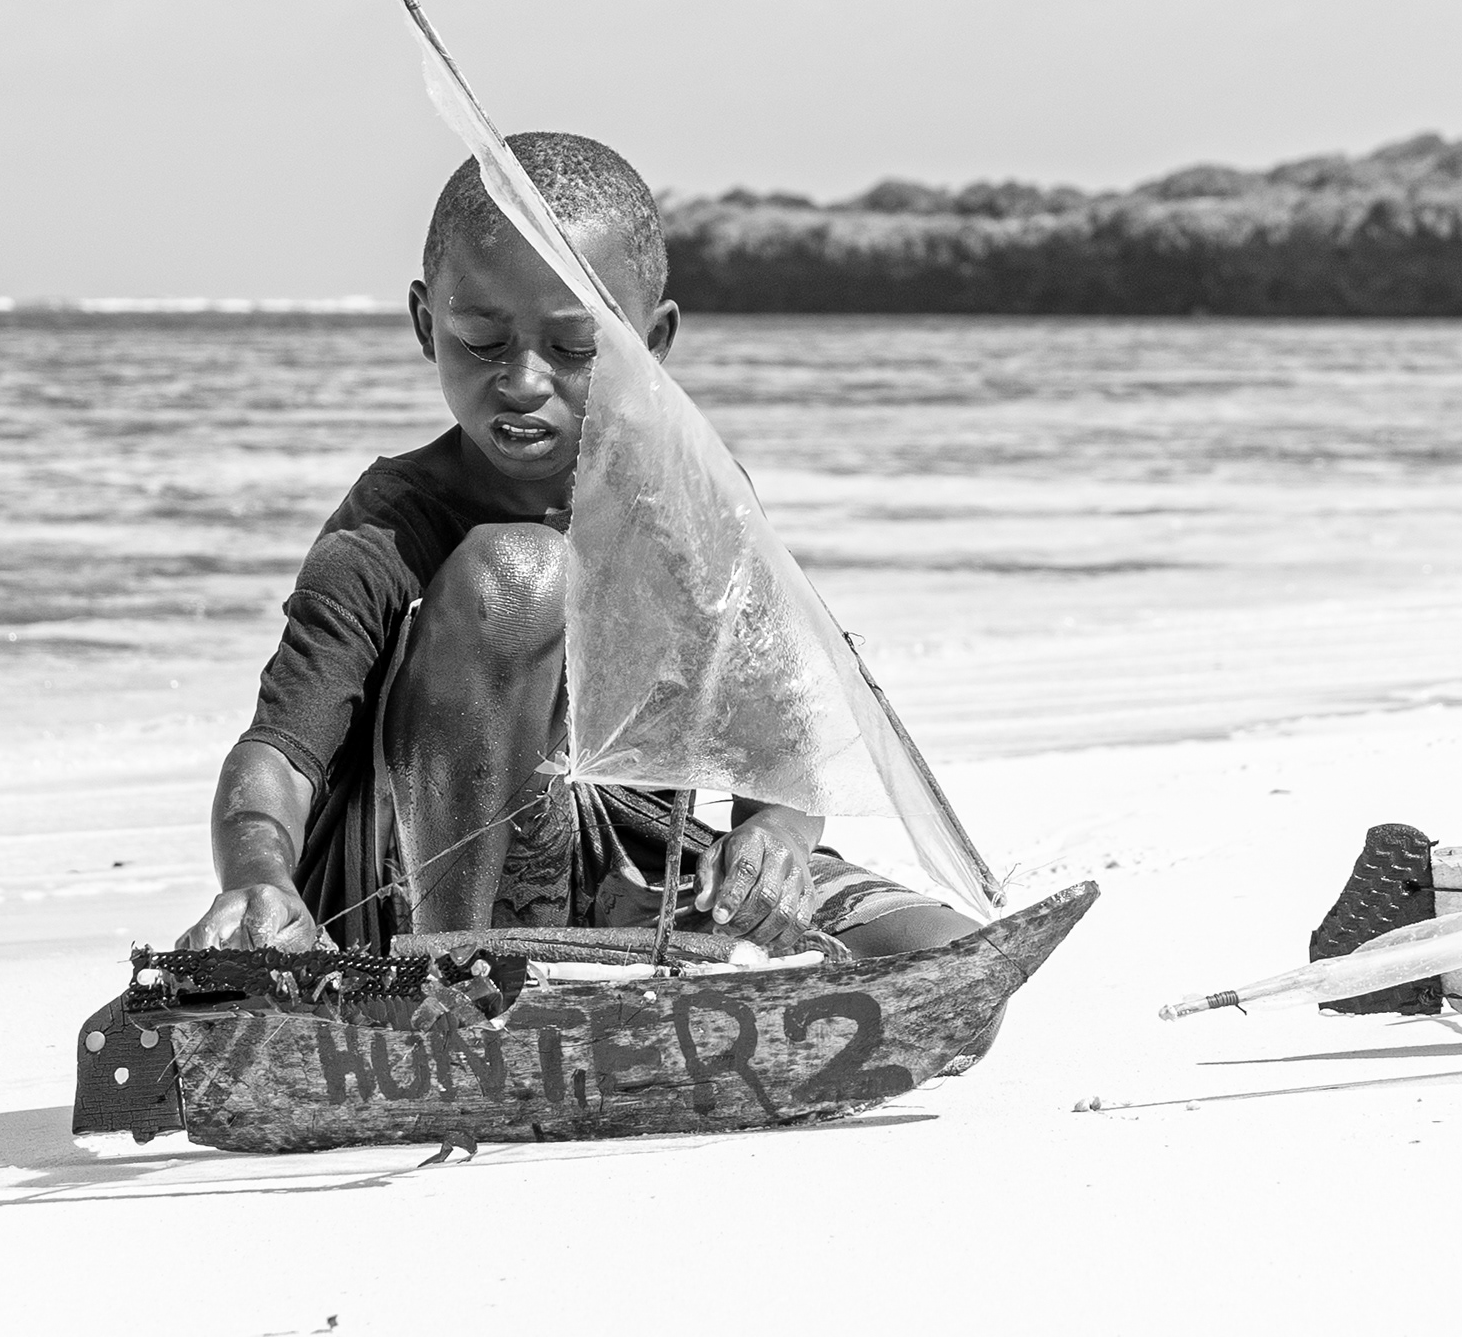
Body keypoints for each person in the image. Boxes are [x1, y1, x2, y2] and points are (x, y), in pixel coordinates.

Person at [175, 131, 975, 962]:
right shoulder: (387, 526)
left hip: (629, 875)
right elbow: (279, 753)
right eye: (483, 341)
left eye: (576, 348)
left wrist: (774, 841)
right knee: (520, 575)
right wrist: (256, 877)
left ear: (651, 343)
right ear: (425, 324)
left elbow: (776, 743)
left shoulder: (689, 503)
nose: (523, 382)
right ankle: (456, 979)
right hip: (397, 909)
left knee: (939, 955)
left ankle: (589, 971)